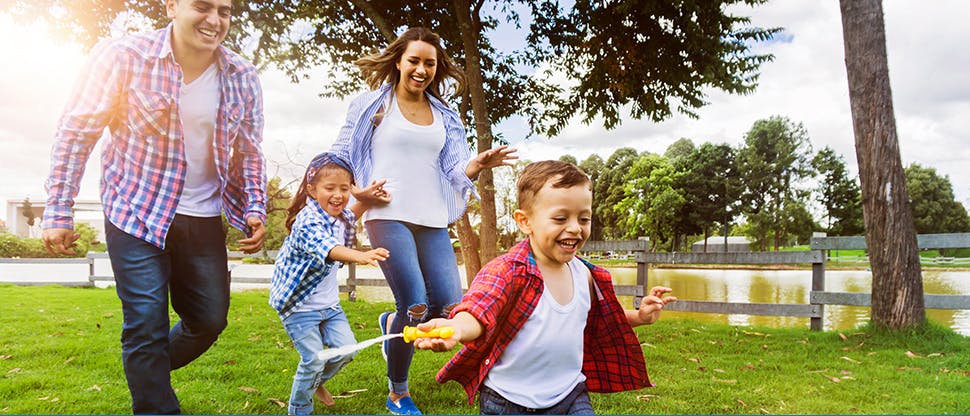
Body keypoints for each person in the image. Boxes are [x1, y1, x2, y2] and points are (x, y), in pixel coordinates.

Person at [41, 0, 266, 413]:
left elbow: (248, 153)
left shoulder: (242, 75)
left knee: (210, 320)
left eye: (225, 11)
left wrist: (254, 206)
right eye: (202, 6)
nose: (215, 20)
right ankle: (155, 402)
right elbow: (76, 133)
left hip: (201, 217)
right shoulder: (123, 57)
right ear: (171, 6)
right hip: (136, 210)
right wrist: (58, 209)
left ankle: (144, 368)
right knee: (145, 322)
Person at [329, 26, 517, 415]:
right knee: (414, 304)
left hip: (432, 215)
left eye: (429, 63)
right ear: (398, 61)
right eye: (414, 60)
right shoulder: (372, 106)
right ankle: (398, 392)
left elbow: (452, 168)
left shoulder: (445, 114)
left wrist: (477, 164)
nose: (421, 69)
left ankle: (391, 324)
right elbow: (341, 153)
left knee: (450, 305)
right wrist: (354, 195)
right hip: (387, 213)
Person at [414, 160, 678, 414]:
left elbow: (599, 318)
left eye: (584, 219)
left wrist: (640, 317)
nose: (575, 228)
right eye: (561, 218)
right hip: (508, 402)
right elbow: (479, 309)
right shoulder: (507, 270)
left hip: (570, 394)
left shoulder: (585, 274)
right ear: (524, 221)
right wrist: (457, 328)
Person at [270, 152, 391, 415]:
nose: (338, 194)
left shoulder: (339, 215)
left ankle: (315, 382)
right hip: (299, 306)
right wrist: (361, 255)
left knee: (347, 351)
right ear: (312, 190)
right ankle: (299, 410)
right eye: (330, 188)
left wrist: (366, 199)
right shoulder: (307, 220)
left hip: (329, 306)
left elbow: (351, 214)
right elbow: (328, 247)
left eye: (344, 188)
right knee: (313, 360)